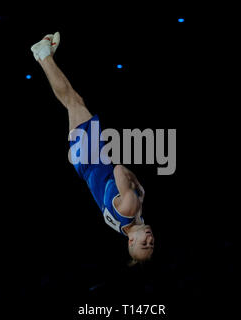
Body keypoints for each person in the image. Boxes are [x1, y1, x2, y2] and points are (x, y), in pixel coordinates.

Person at [31, 32, 154, 265]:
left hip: (92, 156)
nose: (149, 239)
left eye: (143, 243)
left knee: (73, 101)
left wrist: (135, 182)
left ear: (131, 241)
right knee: (72, 102)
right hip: (85, 166)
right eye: (151, 243)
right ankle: (43, 57)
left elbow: (118, 169)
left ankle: (43, 54)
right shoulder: (126, 225)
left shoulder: (131, 208)